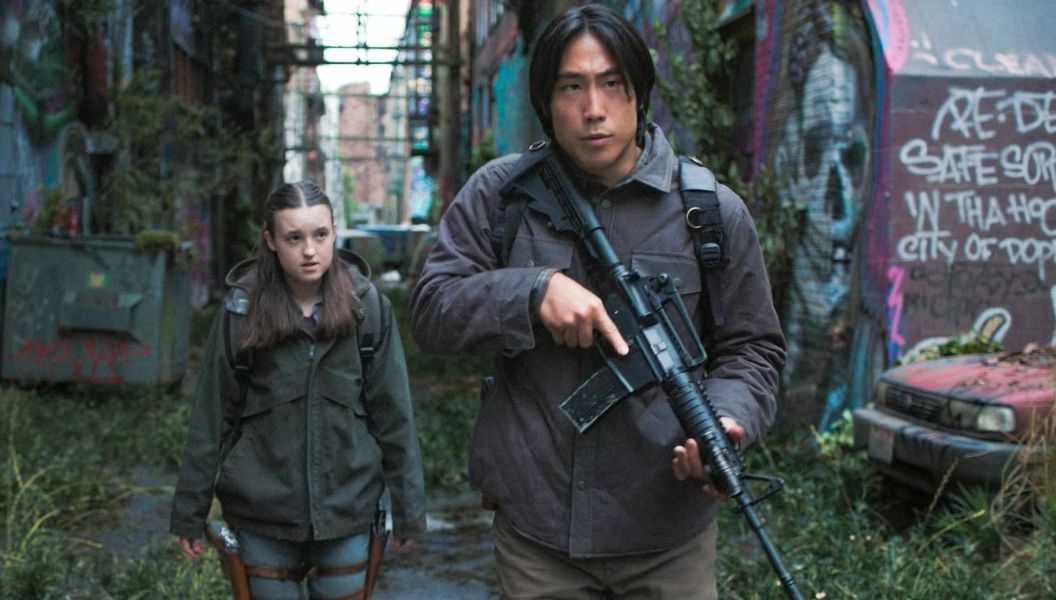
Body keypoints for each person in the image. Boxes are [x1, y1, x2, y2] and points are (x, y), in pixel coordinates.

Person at [409, 5, 785, 599]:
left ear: (640, 94)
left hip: (669, 537)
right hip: (538, 537)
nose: (593, 108)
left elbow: (752, 350)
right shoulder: (501, 196)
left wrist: (727, 421)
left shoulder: (710, 213)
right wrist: (530, 291)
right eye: (571, 86)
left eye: (612, 83)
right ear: (546, 100)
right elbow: (432, 310)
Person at [171, 181, 426, 599]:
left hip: (348, 512)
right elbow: (211, 418)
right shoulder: (241, 313)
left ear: (334, 233)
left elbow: (395, 416)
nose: (310, 250)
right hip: (261, 516)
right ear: (270, 241)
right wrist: (189, 513)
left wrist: (409, 510)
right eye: (294, 238)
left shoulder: (368, 309)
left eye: (320, 235)